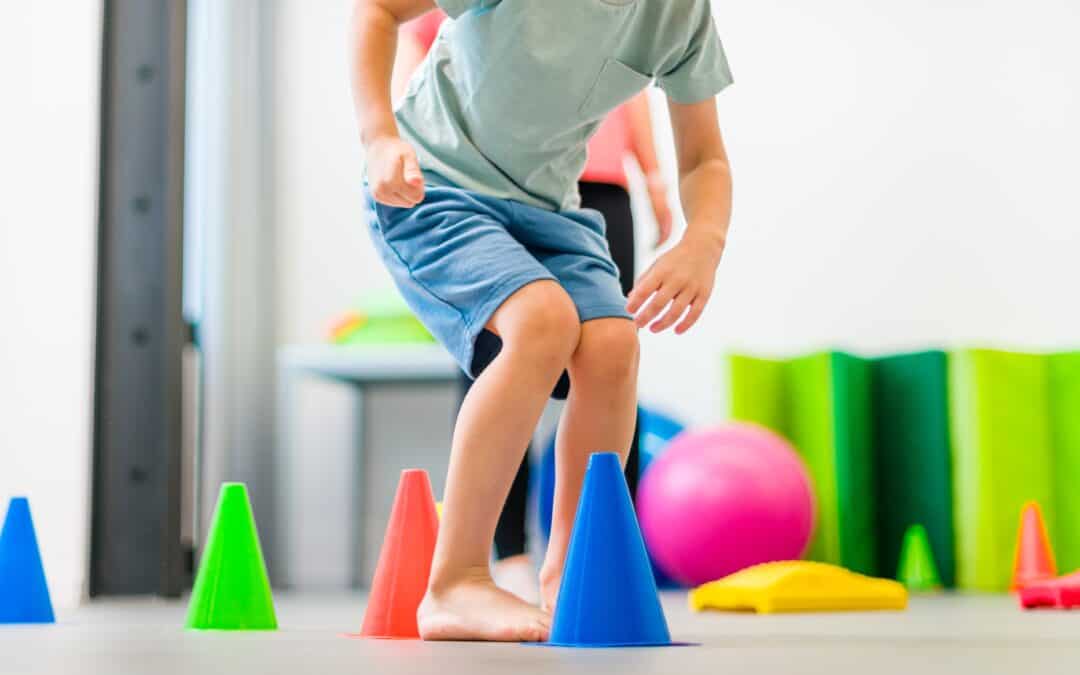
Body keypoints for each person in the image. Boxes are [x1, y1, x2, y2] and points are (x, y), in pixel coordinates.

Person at [350, 0, 733, 642]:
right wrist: (379, 135)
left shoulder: (680, 14)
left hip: (550, 210)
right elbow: (377, 11)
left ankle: (568, 574)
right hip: (434, 188)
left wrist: (705, 240)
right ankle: (456, 581)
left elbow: (705, 158)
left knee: (612, 345)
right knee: (543, 321)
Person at [391, 8, 674, 606]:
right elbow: (418, 54)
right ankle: (506, 554)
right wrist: (397, 147)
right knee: (505, 357)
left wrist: (653, 175)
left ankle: (595, 554)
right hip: (485, 180)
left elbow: (635, 91)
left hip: (594, 186)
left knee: (611, 351)